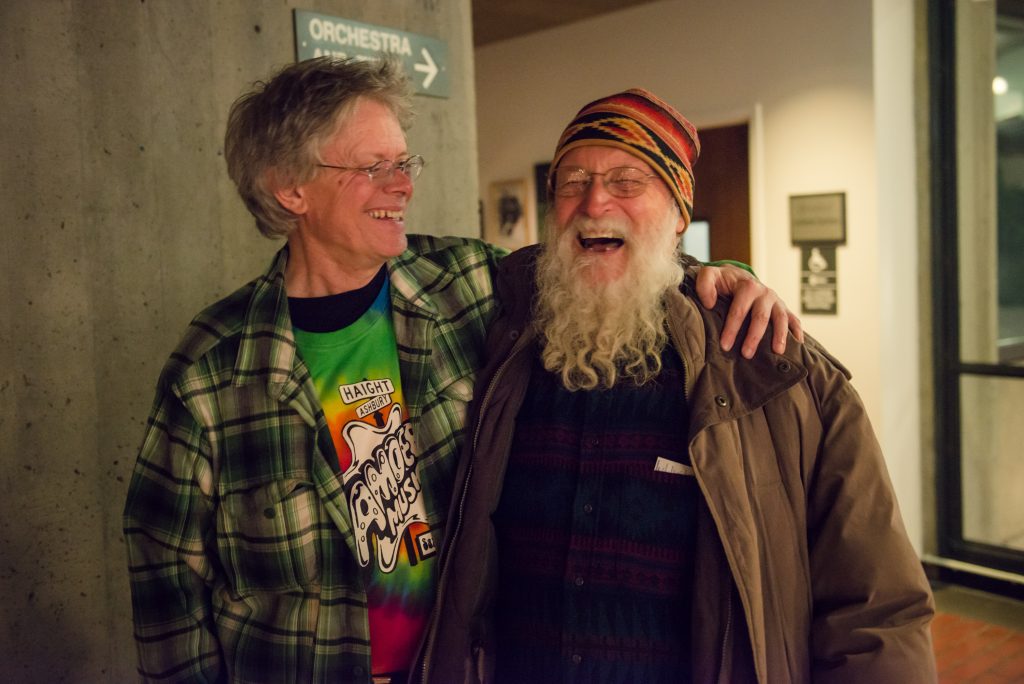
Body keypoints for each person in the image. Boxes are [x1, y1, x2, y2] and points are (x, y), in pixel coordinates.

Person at [122, 58, 800, 684]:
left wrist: (724, 278)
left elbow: (608, 261)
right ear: (291, 188)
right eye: (374, 166)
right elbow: (166, 585)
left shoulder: (466, 285)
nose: (404, 184)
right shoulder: (214, 370)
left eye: (403, 161)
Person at [420, 88, 937, 684]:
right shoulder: (498, 339)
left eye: (627, 181)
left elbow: (878, 611)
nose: (594, 201)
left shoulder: (778, 372)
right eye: (572, 181)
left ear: (679, 215)